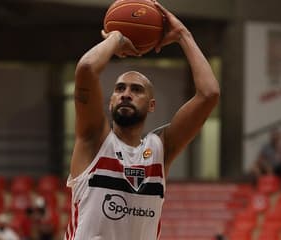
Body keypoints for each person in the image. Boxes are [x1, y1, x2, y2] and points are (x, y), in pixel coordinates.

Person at [64, 2, 220, 240]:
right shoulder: (93, 139)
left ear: (151, 105)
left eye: (136, 90)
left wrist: (183, 35)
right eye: (119, 89)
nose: (126, 93)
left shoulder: (160, 149)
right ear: (110, 101)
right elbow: (86, 68)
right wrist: (116, 37)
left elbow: (209, 94)